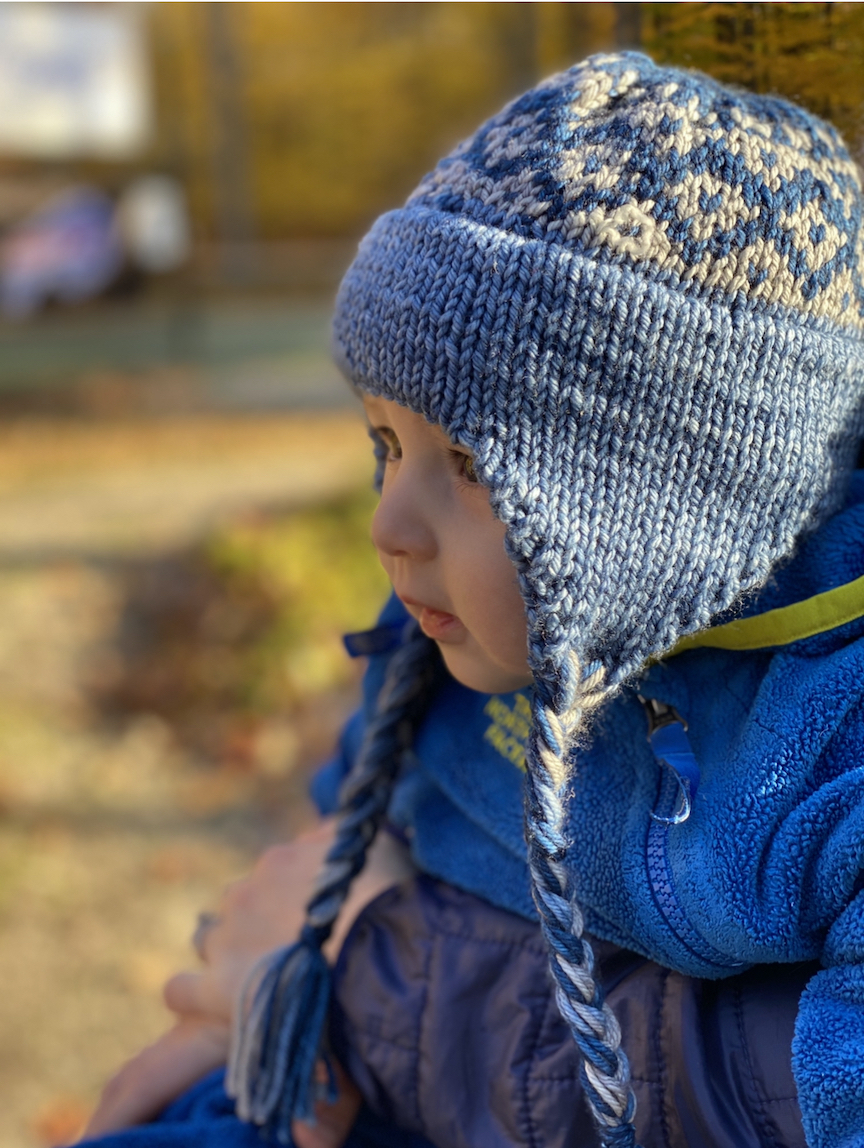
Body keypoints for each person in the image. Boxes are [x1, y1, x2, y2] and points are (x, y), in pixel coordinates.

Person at [77, 51, 864, 1148]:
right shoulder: (452, 655)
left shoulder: (824, 748)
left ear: (665, 507)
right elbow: (360, 799)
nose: (386, 525)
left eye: (475, 466)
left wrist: (372, 980)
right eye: (386, 443)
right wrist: (293, 998)